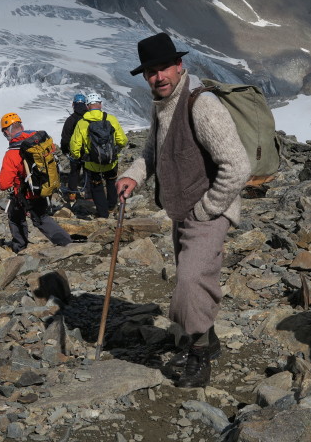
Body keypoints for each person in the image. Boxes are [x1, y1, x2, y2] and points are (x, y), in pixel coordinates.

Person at [116, 33, 250, 388]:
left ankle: (199, 357)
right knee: (195, 280)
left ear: (179, 66)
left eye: (163, 68)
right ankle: (209, 337)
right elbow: (152, 153)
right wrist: (133, 177)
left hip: (207, 210)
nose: (158, 77)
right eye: (150, 72)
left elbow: (237, 165)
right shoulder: (162, 104)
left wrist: (209, 209)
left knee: (189, 281)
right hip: (181, 210)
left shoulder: (201, 105)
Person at [0, 112, 72, 252]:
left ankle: (65, 243)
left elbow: (4, 183)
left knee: (35, 219)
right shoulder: (38, 142)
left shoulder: (12, 153)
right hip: (43, 185)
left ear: (7, 131)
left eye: (4, 132)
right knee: (25, 214)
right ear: (21, 126)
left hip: (27, 193)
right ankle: (22, 244)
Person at [70, 93, 128, 218]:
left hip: (92, 162)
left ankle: (103, 213)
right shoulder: (111, 119)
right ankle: (112, 206)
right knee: (111, 181)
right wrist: (115, 150)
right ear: (100, 104)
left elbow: (75, 145)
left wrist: (78, 156)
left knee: (96, 186)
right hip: (111, 160)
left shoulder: (82, 122)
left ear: (87, 106)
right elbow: (122, 140)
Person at [60, 93, 89, 204]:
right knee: (88, 171)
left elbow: (65, 138)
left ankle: (72, 194)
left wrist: (65, 150)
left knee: (74, 172)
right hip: (88, 151)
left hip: (75, 151)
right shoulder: (89, 118)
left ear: (73, 104)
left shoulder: (70, 120)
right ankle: (89, 194)